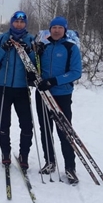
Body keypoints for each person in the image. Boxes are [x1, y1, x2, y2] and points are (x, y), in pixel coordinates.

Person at [34, 16, 82, 184]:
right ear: (50, 29)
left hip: (61, 94)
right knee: (45, 129)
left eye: (59, 28)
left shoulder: (71, 48)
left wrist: (54, 81)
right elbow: (34, 67)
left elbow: (76, 72)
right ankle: (50, 161)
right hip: (43, 94)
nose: (56, 30)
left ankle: (70, 167)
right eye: (53, 27)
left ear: (65, 30)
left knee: (64, 130)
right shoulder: (43, 47)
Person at [0, 10, 36, 173]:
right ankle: (5, 152)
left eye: (22, 22)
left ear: (25, 24)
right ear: (12, 23)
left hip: (22, 88)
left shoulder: (31, 39)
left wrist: (29, 51)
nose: (19, 24)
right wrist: (3, 48)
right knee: (4, 123)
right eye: (16, 22)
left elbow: (37, 66)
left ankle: (24, 155)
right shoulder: (1, 38)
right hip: (3, 87)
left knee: (27, 124)